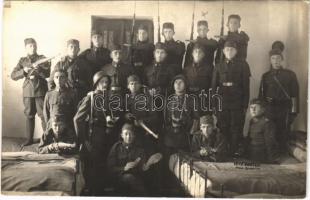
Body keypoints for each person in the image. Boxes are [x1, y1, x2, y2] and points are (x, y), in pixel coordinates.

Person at [74, 71, 119, 195]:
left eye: (106, 82)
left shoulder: (107, 97)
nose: (105, 84)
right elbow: (77, 119)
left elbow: (108, 114)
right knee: (93, 168)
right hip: (93, 137)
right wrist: (84, 140)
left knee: (103, 166)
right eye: (102, 82)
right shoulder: (91, 97)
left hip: (106, 136)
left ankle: (100, 192)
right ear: (96, 84)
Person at [212, 40, 251, 156]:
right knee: (222, 126)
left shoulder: (243, 65)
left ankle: (233, 152)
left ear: (236, 51)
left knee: (236, 126)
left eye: (232, 50)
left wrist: (245, 105)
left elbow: (246, 87)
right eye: (227, 49)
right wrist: (214, 104)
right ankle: (223, 150)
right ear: (223, 51)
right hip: (222, 100)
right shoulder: (218, 66)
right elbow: (213, 87)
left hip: (237, 100)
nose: (229, 52)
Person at [11, 38, 51, 146]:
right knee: (29, 115)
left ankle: (47, 139)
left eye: (34, 45)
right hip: (28, 91)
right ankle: (29, 139)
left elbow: (47, 74)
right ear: (26, 48)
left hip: (41, 90)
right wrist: (24, 71)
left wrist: (39, 70)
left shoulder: (43, 58)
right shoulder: (22, 61)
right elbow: (13, 75)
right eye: (30, 46)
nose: (33, 48)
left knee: (44, 115)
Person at [259, 48, 299, 153]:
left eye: (278, 58)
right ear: (270, 60)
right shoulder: (265, 76)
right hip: (270, 109)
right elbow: (261, 96)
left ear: (282, 60)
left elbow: (295, 94)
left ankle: (281, 153)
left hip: (284, 108)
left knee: (283, 132)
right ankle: (272, 154)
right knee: (270, 132)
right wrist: (262, 112)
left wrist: (294, 112)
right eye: (273, 58)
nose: (275, 60)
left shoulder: (290, 75)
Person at [107, 123, 148, 196]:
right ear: (121, 135)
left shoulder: (139, 149)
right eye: (126, 134)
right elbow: (110, 168)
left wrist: (144, 167)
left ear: (134, 135)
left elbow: (142, 168)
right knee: (129, 178)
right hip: (119, 179)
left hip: (136, 180)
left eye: (130, 134)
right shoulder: (116, 147)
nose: (128, 137)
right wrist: (124, 168)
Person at [245, 98, 279, 163]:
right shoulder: (252, 121)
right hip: (252, 151)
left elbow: (269, 142)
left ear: (263, 110)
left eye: (256, 107)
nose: (253, 110)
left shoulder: (267, 123)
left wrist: (271, 159)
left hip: (261, 153)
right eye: (251, 107)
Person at [183, 43, 213, 115]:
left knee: (202, 121)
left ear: (203, 55)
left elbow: (212, 86)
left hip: (203, 99)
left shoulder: (209, 69)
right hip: (190, 98)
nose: (197, 54)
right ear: (192, 54)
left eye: (200, 52)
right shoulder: (186, 69)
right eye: (196, 51)